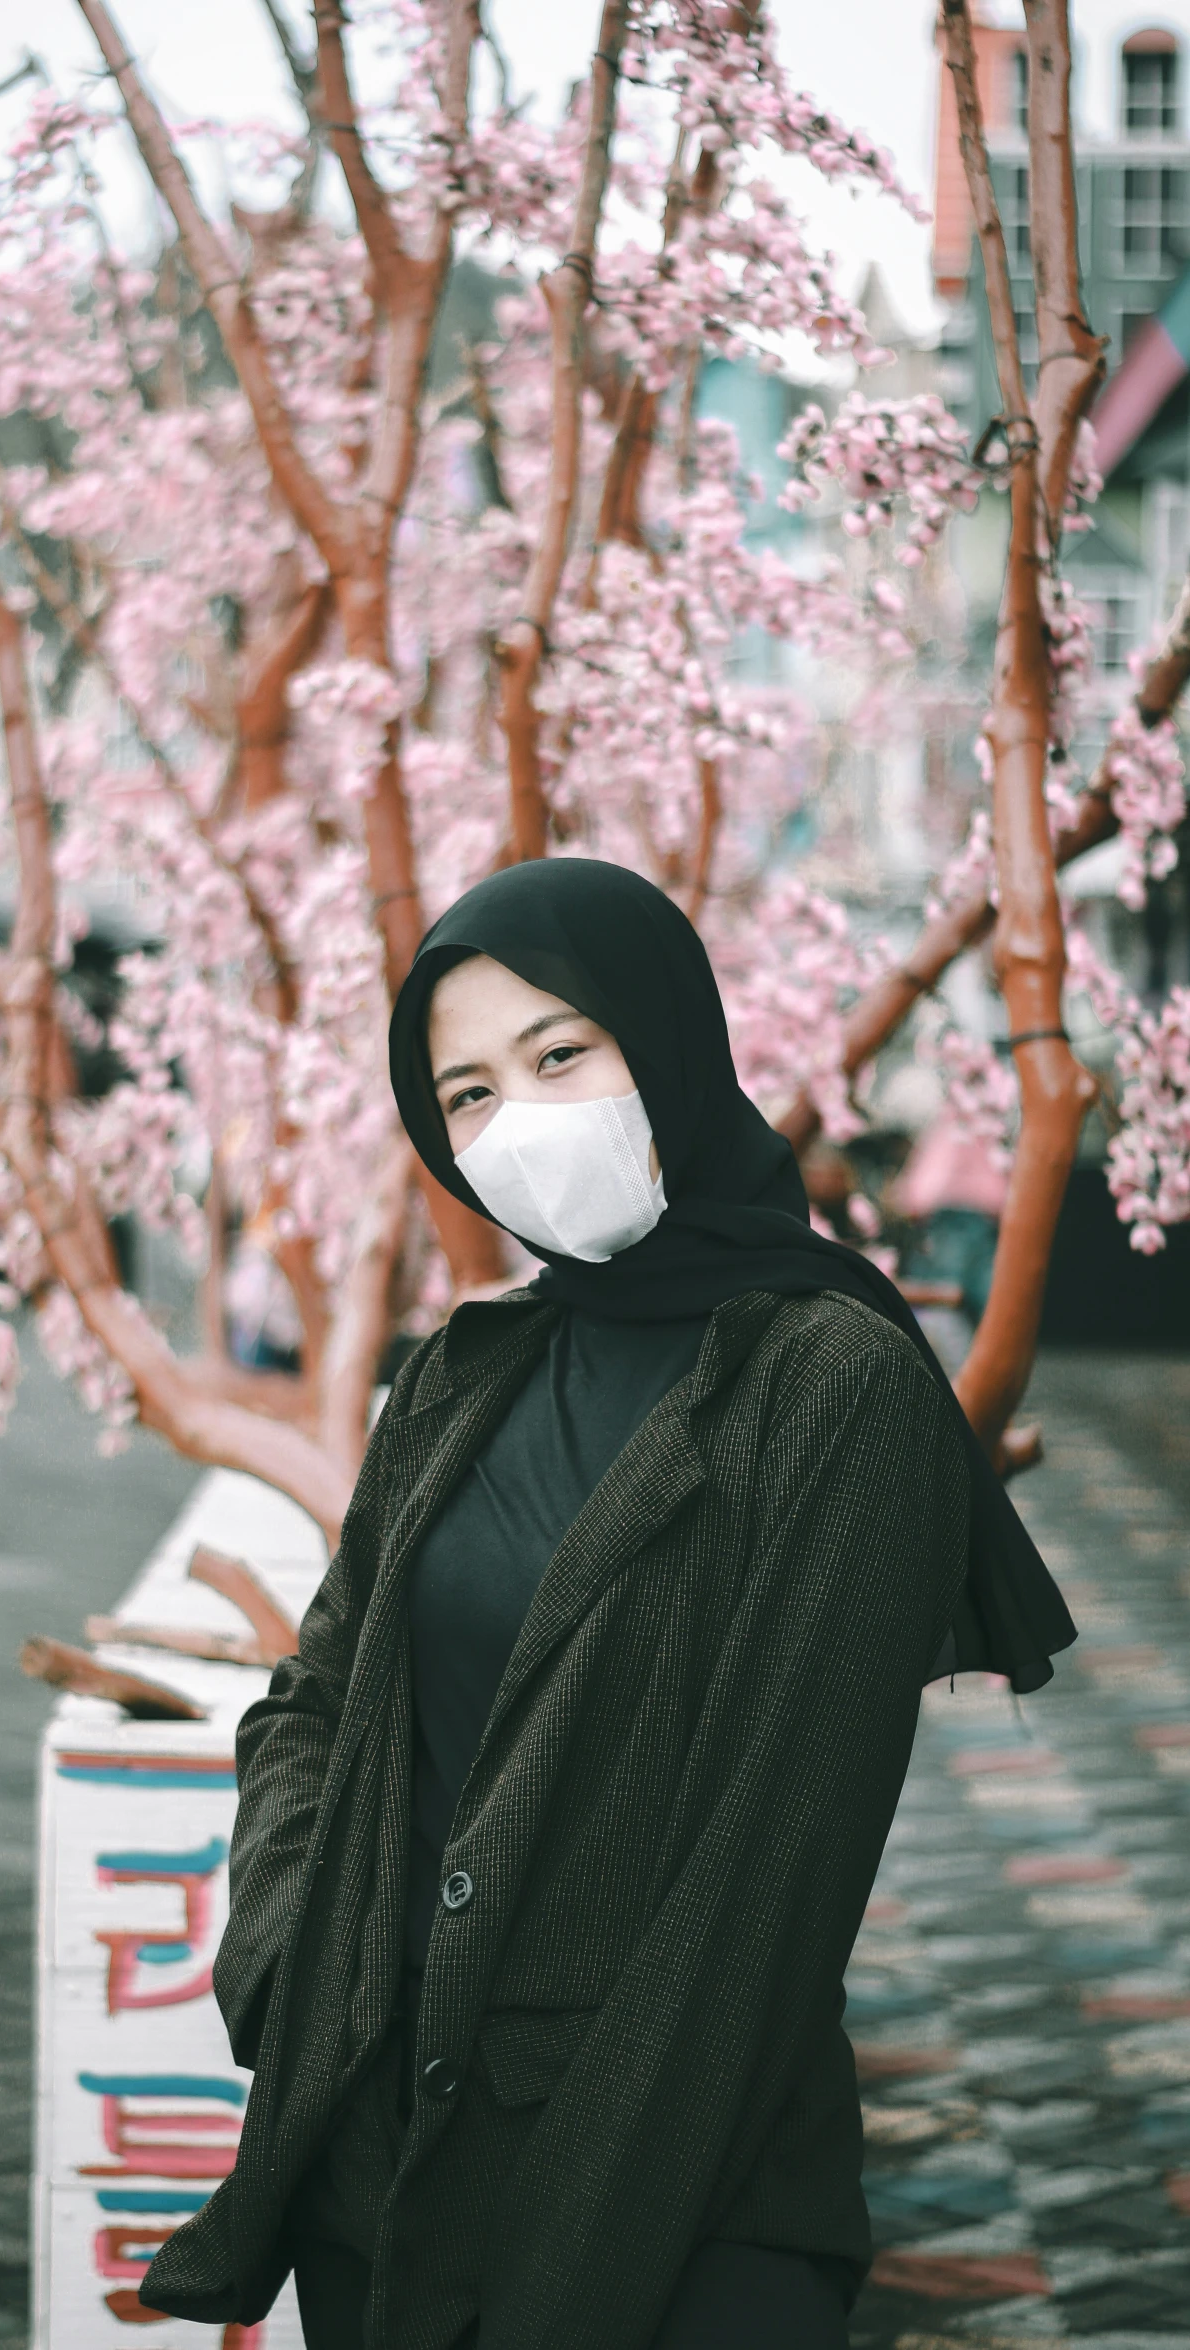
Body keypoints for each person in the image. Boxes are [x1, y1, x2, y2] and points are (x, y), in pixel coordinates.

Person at [141, 860, 1076, 2350]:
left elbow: (761, 1886)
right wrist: (290, 1960)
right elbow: (313, 1700)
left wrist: (561, 2275)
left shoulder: (834, 1386)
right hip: (379, 2170)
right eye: (467, 1095)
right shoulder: (463, 1371)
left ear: (668, 1037)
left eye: (557, 1053)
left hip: (672, 2212)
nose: (517, 1120)